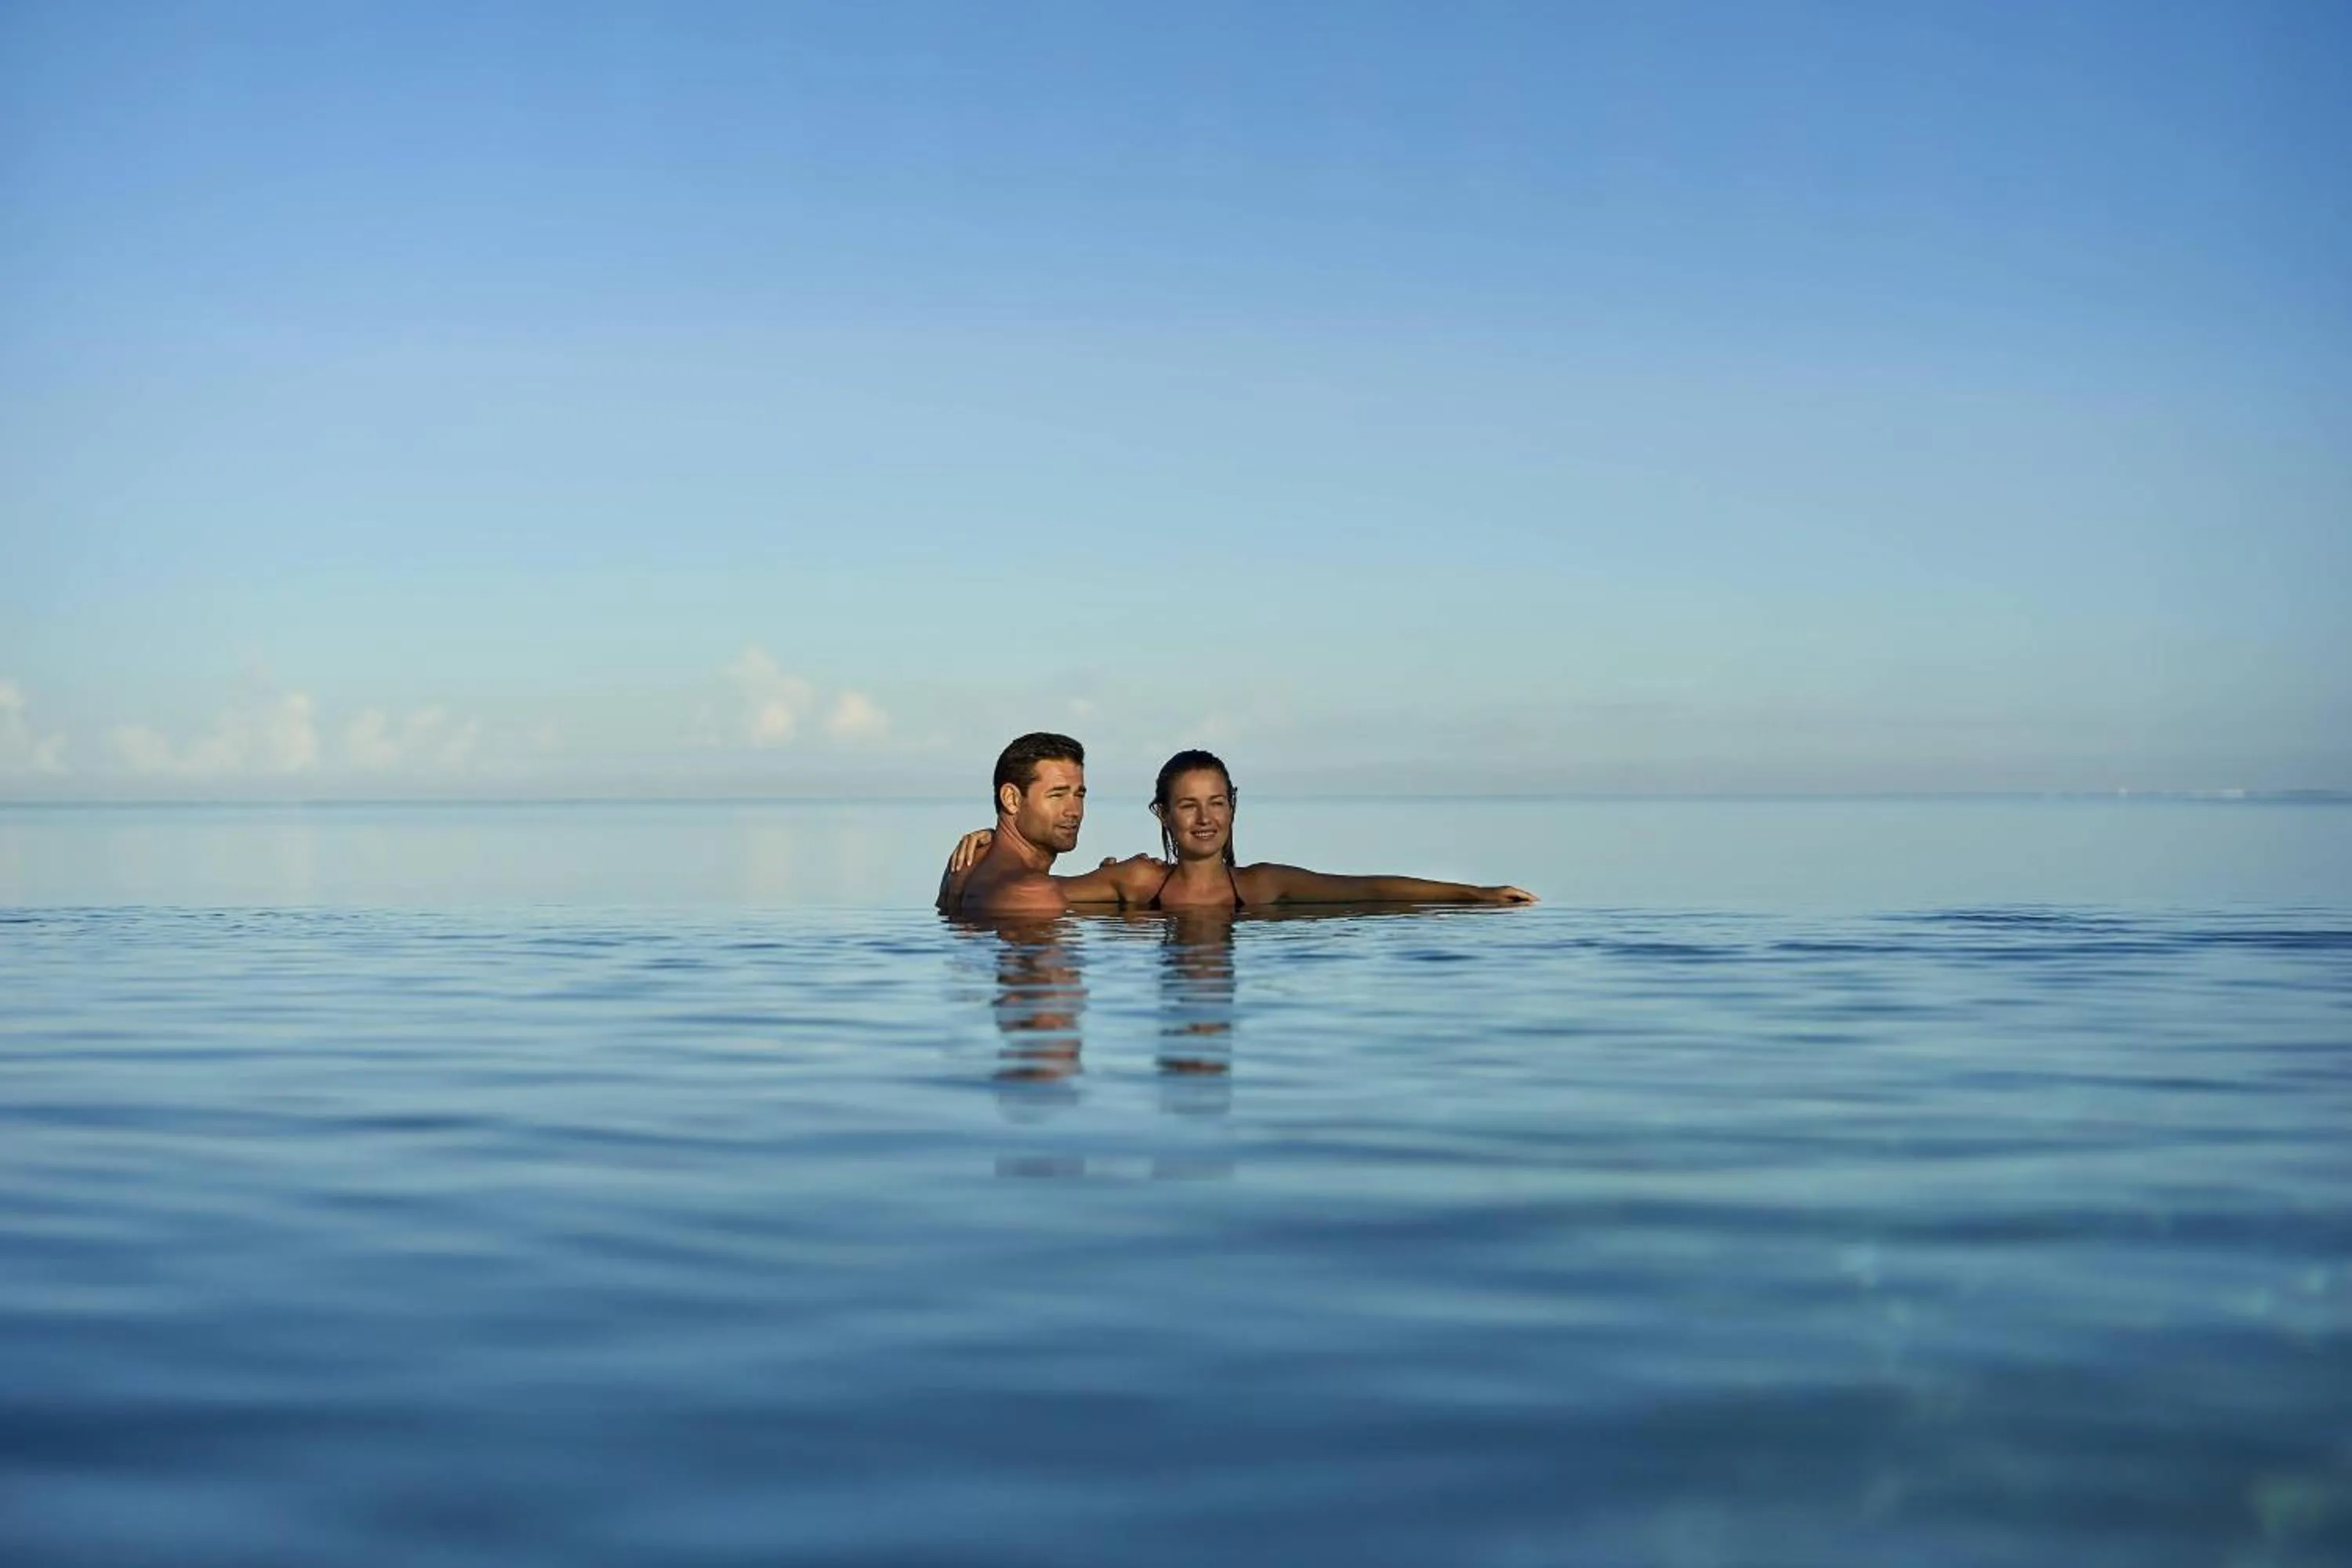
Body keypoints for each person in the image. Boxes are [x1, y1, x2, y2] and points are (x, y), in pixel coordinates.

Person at [941, 746, 1536, 911]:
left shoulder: (1261, 886)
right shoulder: (1140, 884)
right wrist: (992, 842)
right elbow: (1037, 896)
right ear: (1163, 814)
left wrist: (1475, 895)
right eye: (1188, 805)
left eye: (1217, 803)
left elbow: (1369, 889)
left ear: (1233, 808)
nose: (1205, 819)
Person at [938, 732, 1159, 917]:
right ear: (1011, 799)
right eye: (1057, 795)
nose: (1073, 811)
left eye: (1079, 795)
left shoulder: (966, 862)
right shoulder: (1037, 895)